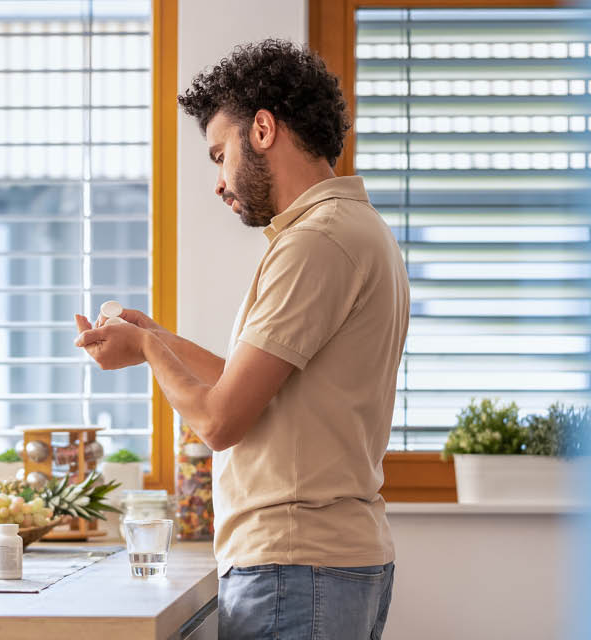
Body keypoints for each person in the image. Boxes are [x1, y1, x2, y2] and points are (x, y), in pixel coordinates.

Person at [74, 39, 409, 640]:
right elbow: (252, 386)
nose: (218, 181)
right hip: (326, 564)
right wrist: (154, 335)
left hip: (294, 565)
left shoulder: (316, 243)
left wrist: (149, 353)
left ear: (262, 129)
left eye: (218, 153)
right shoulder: (353, 229)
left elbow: (221, 421)